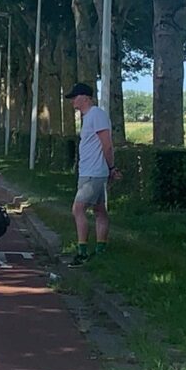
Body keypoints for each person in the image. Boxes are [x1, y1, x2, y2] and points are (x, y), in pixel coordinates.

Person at [65, 82, 121, 267]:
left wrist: (111, 168)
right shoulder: (89, 117)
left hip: (94, 173)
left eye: (75, 96)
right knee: (99, 210)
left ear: (85, 97)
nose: (73, 100)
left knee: (78, 208)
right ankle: (101, 248)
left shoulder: (96, 115)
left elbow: (107, 144)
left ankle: (82, 251)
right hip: (90, 171)